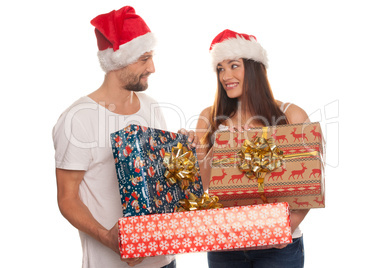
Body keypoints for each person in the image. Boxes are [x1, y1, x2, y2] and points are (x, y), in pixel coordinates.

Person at [53, 6, 196, 268]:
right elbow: (67, 198)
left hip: (164, 260)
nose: (152, 67)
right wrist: (108, 238)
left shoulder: (151, 106)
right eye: (143, 59)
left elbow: (164, 181)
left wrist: (182, 153)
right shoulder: (78, 118)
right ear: (118, 61)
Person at [195, 29, 309, 268]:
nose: (226, 76)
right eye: (220, 68)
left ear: (255, 68)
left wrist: (289, 225)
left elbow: (309, 182)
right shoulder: (210, 117)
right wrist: (219, 152)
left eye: (234, 65)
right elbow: (205, 186)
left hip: (279, 248)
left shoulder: (290, 114)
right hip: (226, 245)